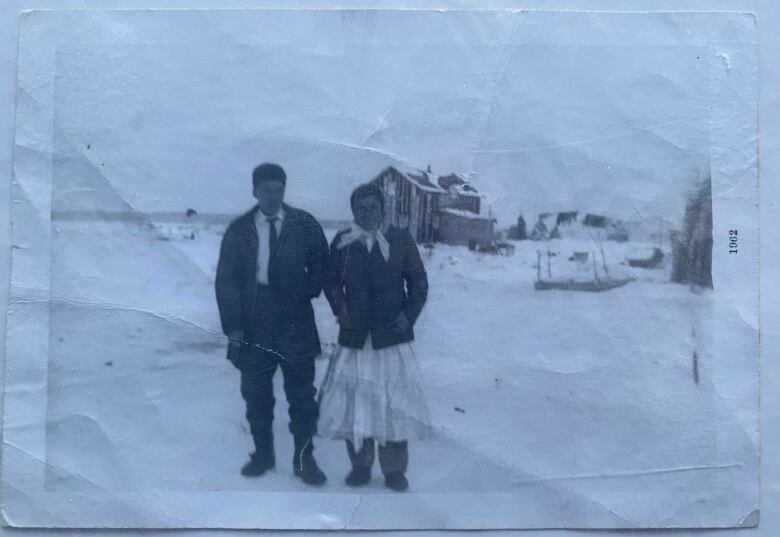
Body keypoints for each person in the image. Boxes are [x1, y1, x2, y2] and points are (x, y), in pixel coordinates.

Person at [215, 163, 329, 486]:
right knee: (255, 393)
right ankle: (263, 453)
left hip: (296, 322)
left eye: (279, 190)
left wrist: (304, 287)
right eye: (267, 190)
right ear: (255, 191)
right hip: (255, 322)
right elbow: (226, 282)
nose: (274, 197)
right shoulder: (239, 230)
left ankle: (305, 458)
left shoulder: (304, 225)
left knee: (303, 397)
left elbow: (322, 265)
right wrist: (234, 327)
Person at [319, 182, 434, 492]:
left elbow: (419, 285)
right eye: (360, 208)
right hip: (356, 339)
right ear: (353, 211)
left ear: (383, 209)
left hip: (389, 340)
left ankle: (394, 470)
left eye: (372, 208)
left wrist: (407, 316)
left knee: (392, 406)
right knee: (356, 404)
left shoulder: (400, 240)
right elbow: (330, 281)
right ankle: (360, 466)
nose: (366, 213)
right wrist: (339, 306)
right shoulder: (343, 241)